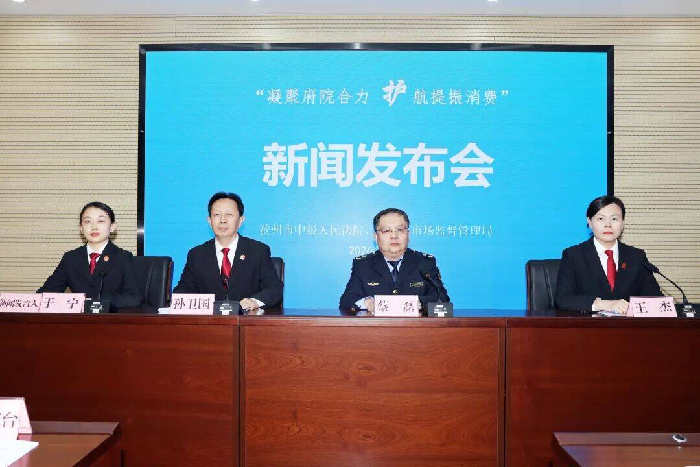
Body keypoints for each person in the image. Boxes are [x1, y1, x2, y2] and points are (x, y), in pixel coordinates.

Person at [173, 192, 282, 310]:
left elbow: (274, 288)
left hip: (245, 319)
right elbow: (182, 292)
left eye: (229, 214)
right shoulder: (197, 255)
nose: (223, 220)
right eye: (217, 215)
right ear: (209, 221)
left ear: (240, 220)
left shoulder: (258, 251)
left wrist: (254, 302)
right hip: (209, 320)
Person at [555, 195, 662, 314]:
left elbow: (655, 299)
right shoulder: (574, 255)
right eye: (601, 219)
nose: (608, 225)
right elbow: (563, 299)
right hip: (589, 324)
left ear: (623, 223)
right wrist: (603, 304)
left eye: (614, 219)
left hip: (629, 324)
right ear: (590, 222)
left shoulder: (636, 256)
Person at [339, 208, 449, 313]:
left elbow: (443, 300)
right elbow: (346, 302)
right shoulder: (363, 265)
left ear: (408, 234)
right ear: (376, 237)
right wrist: (367, 303)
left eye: (400, 230)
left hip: (415, 326)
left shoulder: (424, 262)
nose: (394, 236)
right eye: (387, 231)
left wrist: (416, 303)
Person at [38, 201, 141, 311]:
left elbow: (134, 298)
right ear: (81, 228)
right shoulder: (71, 258)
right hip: (79, 320)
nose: (94, 227)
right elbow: (45, 294)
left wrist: (96, 301)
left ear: (112, 227)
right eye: (87, 221)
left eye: (100, 221)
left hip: (110, 318)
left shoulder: (123, 257)